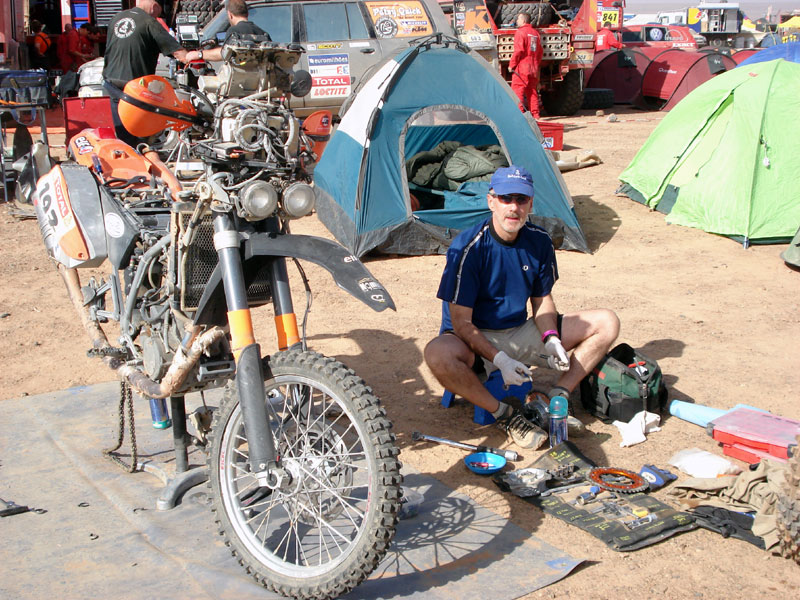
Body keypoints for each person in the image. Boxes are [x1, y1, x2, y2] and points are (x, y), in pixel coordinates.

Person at [424, 166, 620, 448]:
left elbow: (542, 300)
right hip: (473, 338)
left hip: (518, 330)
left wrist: (551, 339)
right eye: (506, 198)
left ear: (530, 203)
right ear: (491, 201)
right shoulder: (468, 248)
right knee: (437, 354)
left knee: (606, 322)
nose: (513, 208)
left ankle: (559, 396)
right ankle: (504, 414)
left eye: (521, 199)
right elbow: (461, 323)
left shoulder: (539, 241)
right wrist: (501, 360)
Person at [102, 0, 202, 144]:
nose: (157, 16)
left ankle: (129, 151)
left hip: (111, 83)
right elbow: (180, 54)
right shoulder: (150, 22)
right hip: (135, 88)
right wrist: (197, 56)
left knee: (124, 134)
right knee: (140, 135)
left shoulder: (116, 19)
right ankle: (144, 152)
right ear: (155, 7)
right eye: (158, 13)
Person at [199, 0, 271, 63]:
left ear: (230, 15)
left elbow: (223, 54)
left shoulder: (233, 32)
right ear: (247, 14)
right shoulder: (263, 34)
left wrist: (200, 54)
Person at [508, 12, 543, 118]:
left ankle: (520, 114)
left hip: (522, 66)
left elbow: (519, 51)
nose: (516, 21)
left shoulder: (520, 32)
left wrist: (512, 65)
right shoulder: (535, 33)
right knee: (532, 91)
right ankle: (535, 115)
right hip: (533, 66)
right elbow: (540, 52)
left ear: (523, 21)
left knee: (518, 90)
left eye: (518, 19)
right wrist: (536, 64)